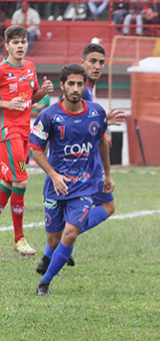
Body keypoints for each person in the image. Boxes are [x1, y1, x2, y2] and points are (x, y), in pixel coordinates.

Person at [36, 42, 125, 274]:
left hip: (88, 162)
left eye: (101, 63)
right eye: (92, 61)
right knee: (108, 205)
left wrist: (103, 129)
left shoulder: (89, 90)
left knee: (105, 206)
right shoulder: (82, 90)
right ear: (82, 63)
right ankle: (58, 246)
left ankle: (51, 253)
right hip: (85, 167)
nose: (97, 67)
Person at [30, 64, 112, 296]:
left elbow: (102, 143)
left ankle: (44, 283)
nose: (75, 88)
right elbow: (36, 150)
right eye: (71, 84)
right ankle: (53, 256)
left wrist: (107, 174)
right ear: (62, 85)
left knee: (70, 233)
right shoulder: (49, 116)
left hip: (84, 185)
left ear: (84, 86)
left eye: (79, 84)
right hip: (57, 186)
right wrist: (54, 175)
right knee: (54, 240)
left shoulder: (96, 112)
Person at [0, 25, 54, 256]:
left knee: (10, 183)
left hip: (24, 131)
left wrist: (43, 90)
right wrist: (5, 104)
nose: (20, 46)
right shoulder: (2, 69)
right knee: (21, 181)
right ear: (7, 46)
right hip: (8, 132)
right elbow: (9, 102)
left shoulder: (30, 67)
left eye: (23, 42)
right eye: (15, 42)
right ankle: (19, 239)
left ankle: (19, 238)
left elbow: (31, 98)